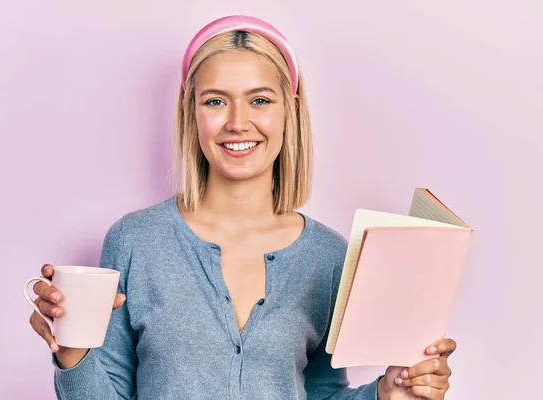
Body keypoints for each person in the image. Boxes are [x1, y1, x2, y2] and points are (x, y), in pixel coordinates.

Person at [28, 15, 457, 400]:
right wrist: (73, 354)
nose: (237, 122)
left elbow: (325, 395)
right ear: (191, 112)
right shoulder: (135, 241)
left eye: (260, 100)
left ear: (289, 110)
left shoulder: (328, 256)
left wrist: (387, 393)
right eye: (215, 101)